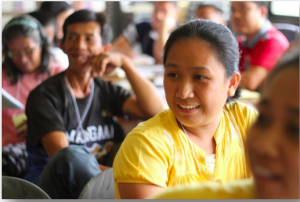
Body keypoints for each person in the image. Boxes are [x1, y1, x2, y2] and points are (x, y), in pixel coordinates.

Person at [24, 9, 165, 199]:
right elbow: (64, 160)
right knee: (71, 156)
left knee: (135, 146)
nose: (79, 46)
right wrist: (125, 179)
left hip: (101, 187)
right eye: (72, 38)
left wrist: (125, 64)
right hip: (52, 189)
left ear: (105, 49)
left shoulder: (105, 90)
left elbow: (158, 112)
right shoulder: (44, 96)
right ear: (63, 45)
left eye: (89, 39)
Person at [113, 19, 258, 199]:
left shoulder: (245, 122)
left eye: (200, 77)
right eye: (173, 75)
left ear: (232, 83)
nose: (183, 92)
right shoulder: (146, 145)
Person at [151, 42, 299, 200]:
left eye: (295, 130)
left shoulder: (241, 117)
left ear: (232, 83)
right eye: (263, 119)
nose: (263, 145)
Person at [2, 15, 65, 178]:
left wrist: (37, 126)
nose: (22, 59)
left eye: (28, 51)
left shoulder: (57, 74)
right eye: (14, 53)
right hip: (7, 148)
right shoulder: (3, 76)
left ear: (42, 46)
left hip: (44, 151)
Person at [230, 1, 289, 91]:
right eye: (233, 10)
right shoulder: (241, 42)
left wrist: (216, 78)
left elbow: (250, 82)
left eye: (243, 8)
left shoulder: (273, 42)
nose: (236, 15)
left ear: (262, 11)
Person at [112, 1, 179, 64]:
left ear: (176, 14)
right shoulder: (141, 28)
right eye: (156, 9)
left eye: (164, 11)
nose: (158, 16)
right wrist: (126, 53)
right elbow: (115, 47)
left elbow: (162, 59)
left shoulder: (183, 33)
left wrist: (163, 30)